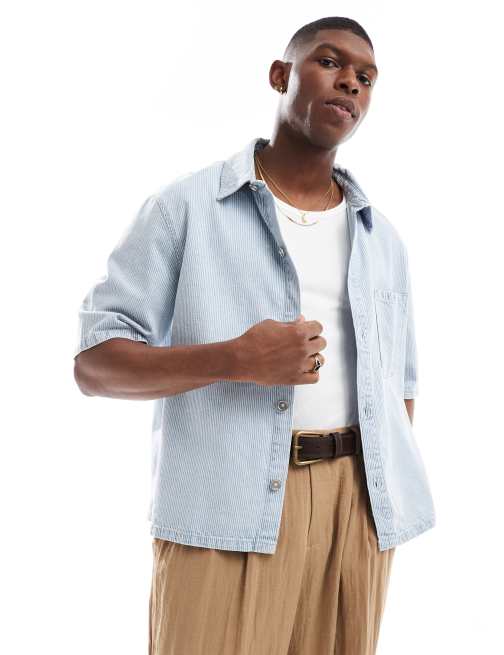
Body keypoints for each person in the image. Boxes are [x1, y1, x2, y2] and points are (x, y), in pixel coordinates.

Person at [73, 15, 436, 655]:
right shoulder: (187, 208)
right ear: (279, 75)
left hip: (358, 513)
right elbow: (95, 364)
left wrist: (369, 499)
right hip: (225, 512)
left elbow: (400, 387)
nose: (350, 83)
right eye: (330, 62)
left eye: (367, 77)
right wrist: (236, 358)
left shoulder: (382, 239)